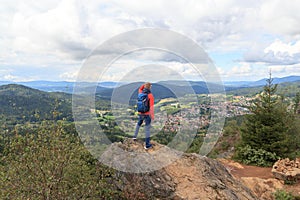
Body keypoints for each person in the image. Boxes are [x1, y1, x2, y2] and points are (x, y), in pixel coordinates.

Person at [133, 82, 155, 149]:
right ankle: (147, 145)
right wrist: (152, 116)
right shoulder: (150, 96)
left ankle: (134, 136)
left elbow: (140, 88)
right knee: (147, 129)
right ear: (150, 87)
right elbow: (151, 107)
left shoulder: (140, 93)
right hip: (147, 114)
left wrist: (145, 84)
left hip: (140, 113)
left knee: (139, 124)